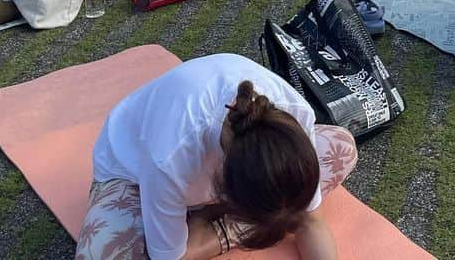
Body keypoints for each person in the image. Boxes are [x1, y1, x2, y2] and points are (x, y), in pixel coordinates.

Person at [77, 53, 349, 260]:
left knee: (341, 147)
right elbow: (169, 257)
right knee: (99, 253)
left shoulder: (297, 114)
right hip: (131, 172)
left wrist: (205, 232)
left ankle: (216, 221)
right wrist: (227, 234)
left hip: (220, 175)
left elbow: (311, 221)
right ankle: (222, 222)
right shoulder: (168, 158)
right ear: (224, 189)